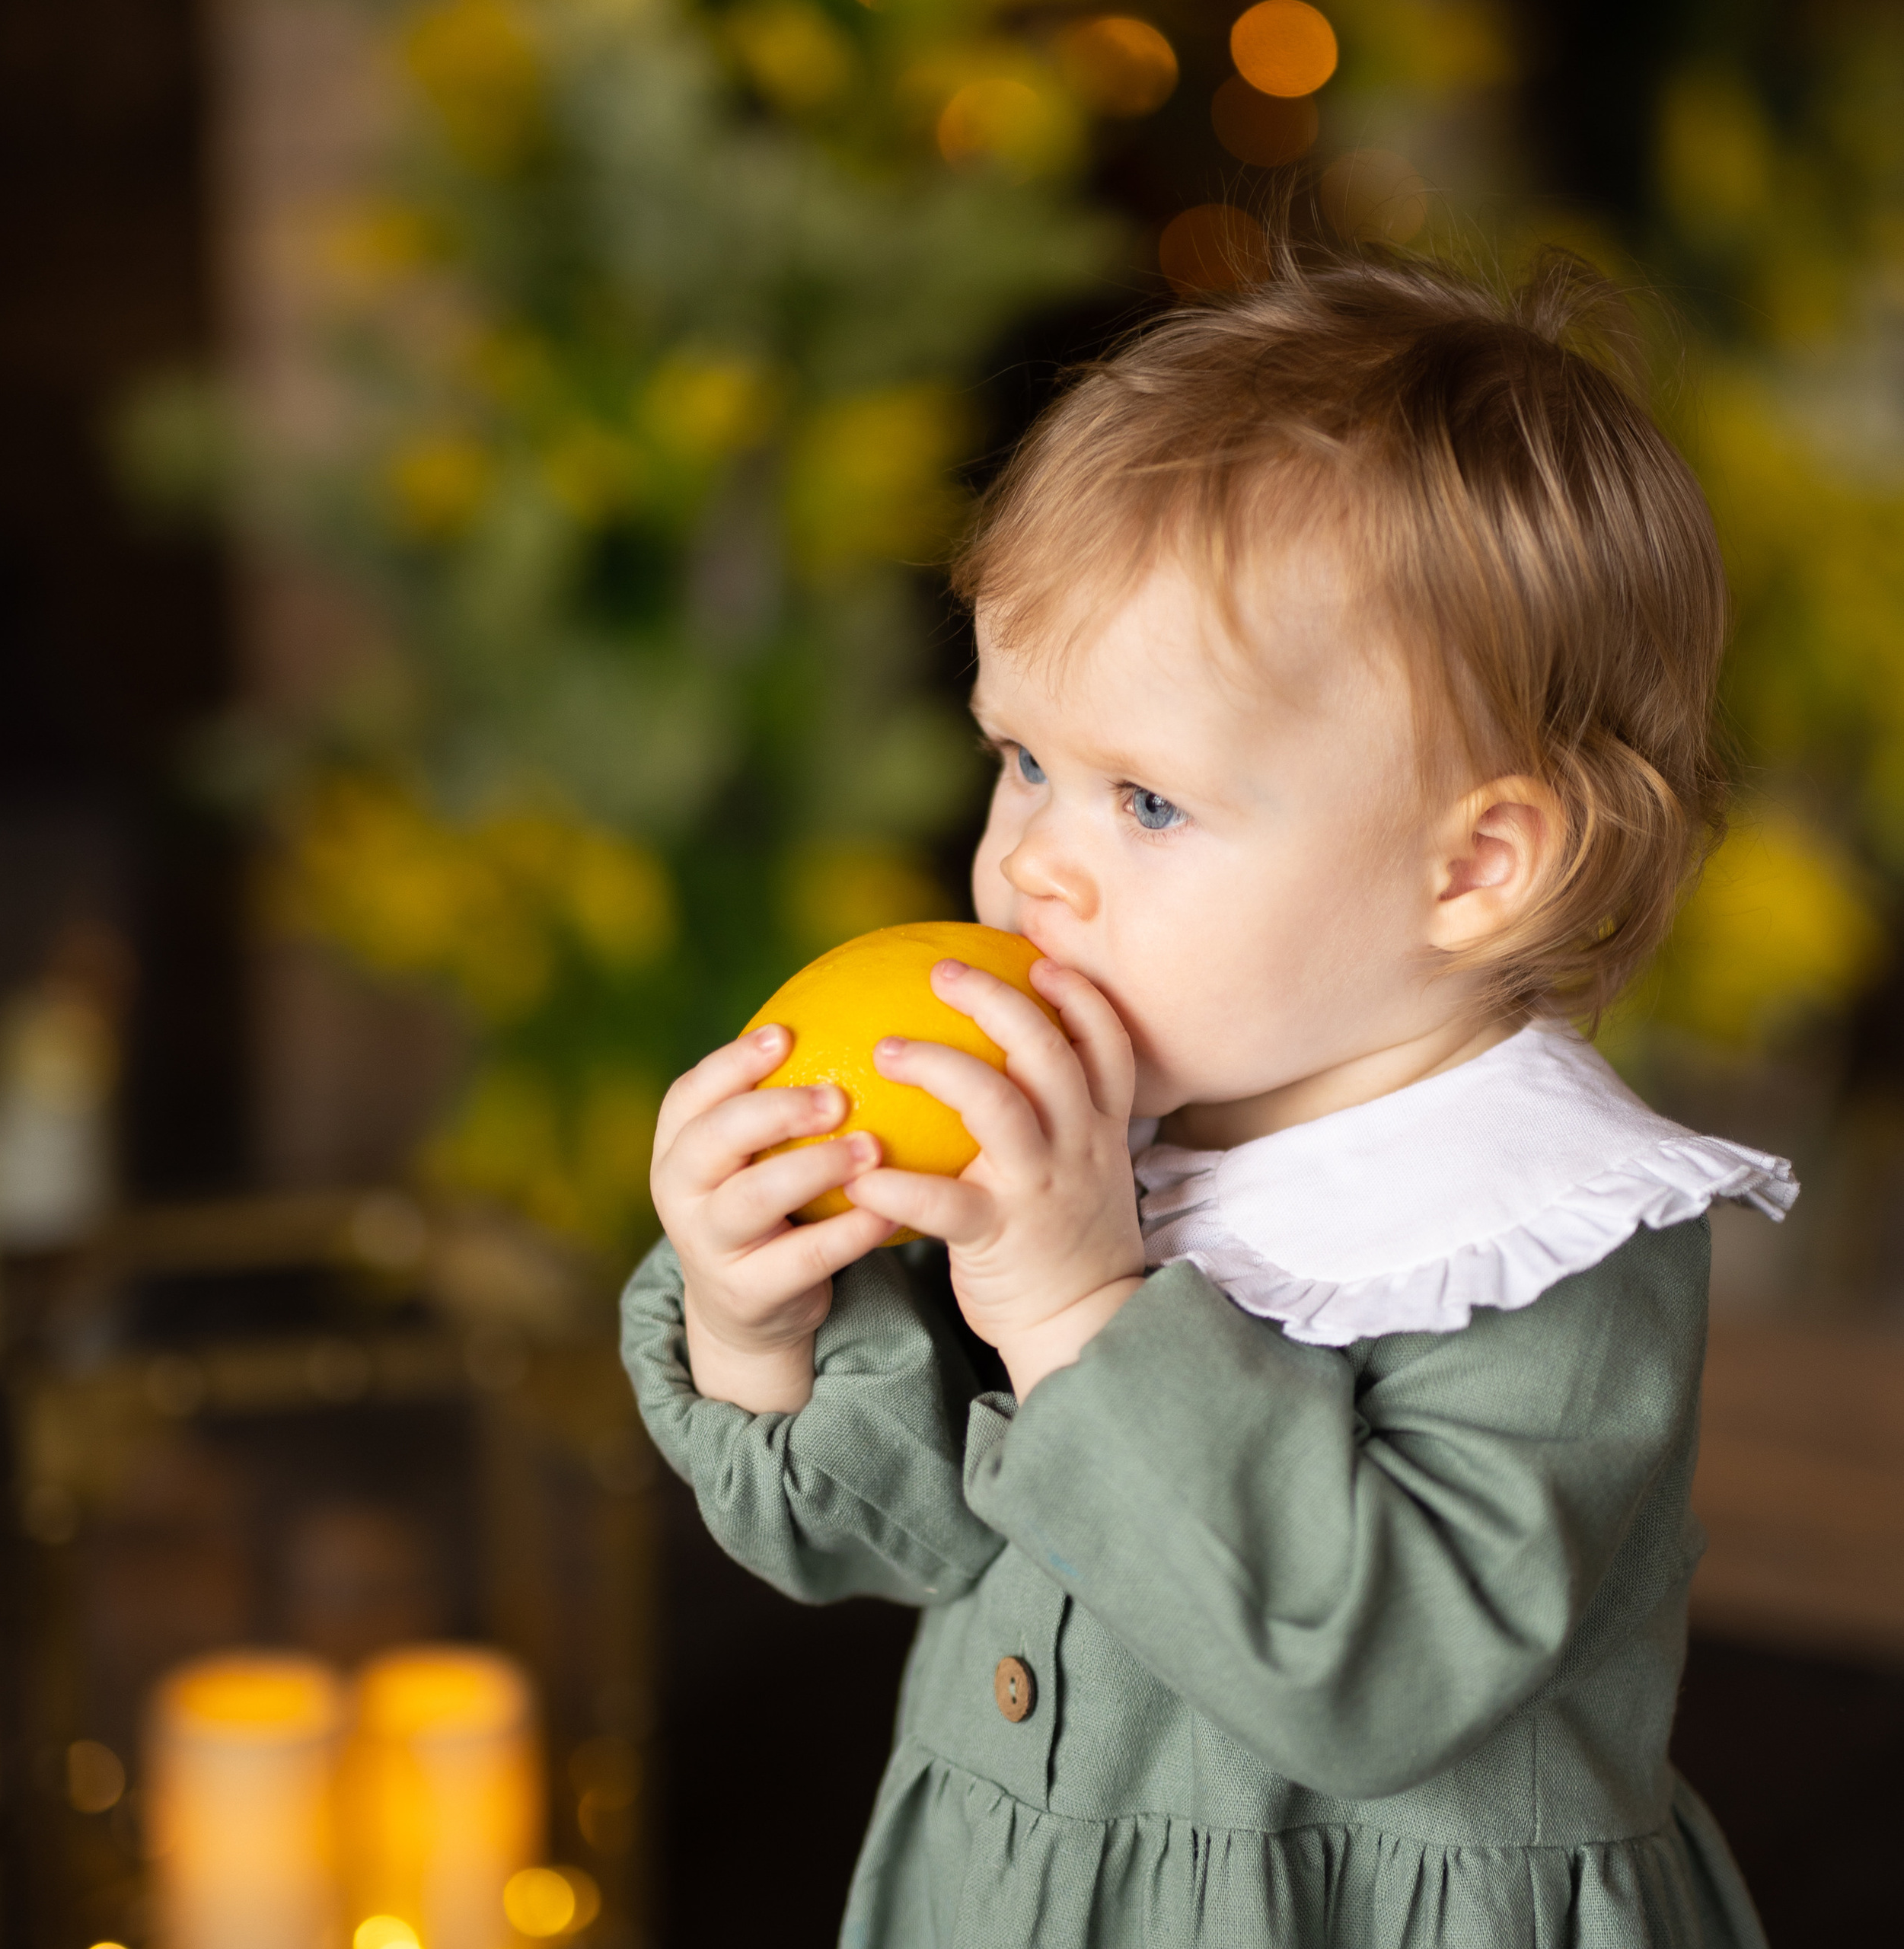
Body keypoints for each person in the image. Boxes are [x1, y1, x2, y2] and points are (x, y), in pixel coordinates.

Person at [620, 243, 1797, 1947]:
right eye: (1022, 759)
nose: (1035, 863)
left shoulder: (1538, 1231)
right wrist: (762, 1321)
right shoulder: (1094, 1124)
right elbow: (900, 1541)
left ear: (1472, 868)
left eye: (1148, 803)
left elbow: (1372, 1674)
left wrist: (1076, 1311)